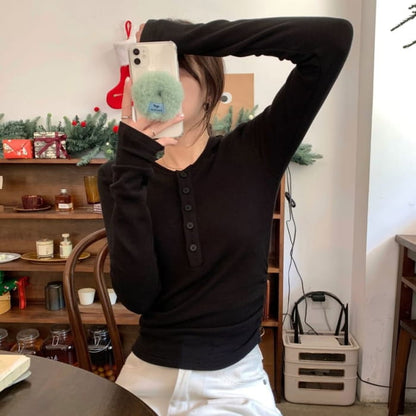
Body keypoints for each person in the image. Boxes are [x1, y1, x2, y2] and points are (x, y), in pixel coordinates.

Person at [98, 16, 353, 416]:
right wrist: (131, 168)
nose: (162, 78)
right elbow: (138, 297)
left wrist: (182, 37)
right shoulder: (119, 174)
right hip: (148, 374)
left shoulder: (256, 151)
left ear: (210, 89)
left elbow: (331, 40)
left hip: (235, 381)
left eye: (179, 64)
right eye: (154, 65)